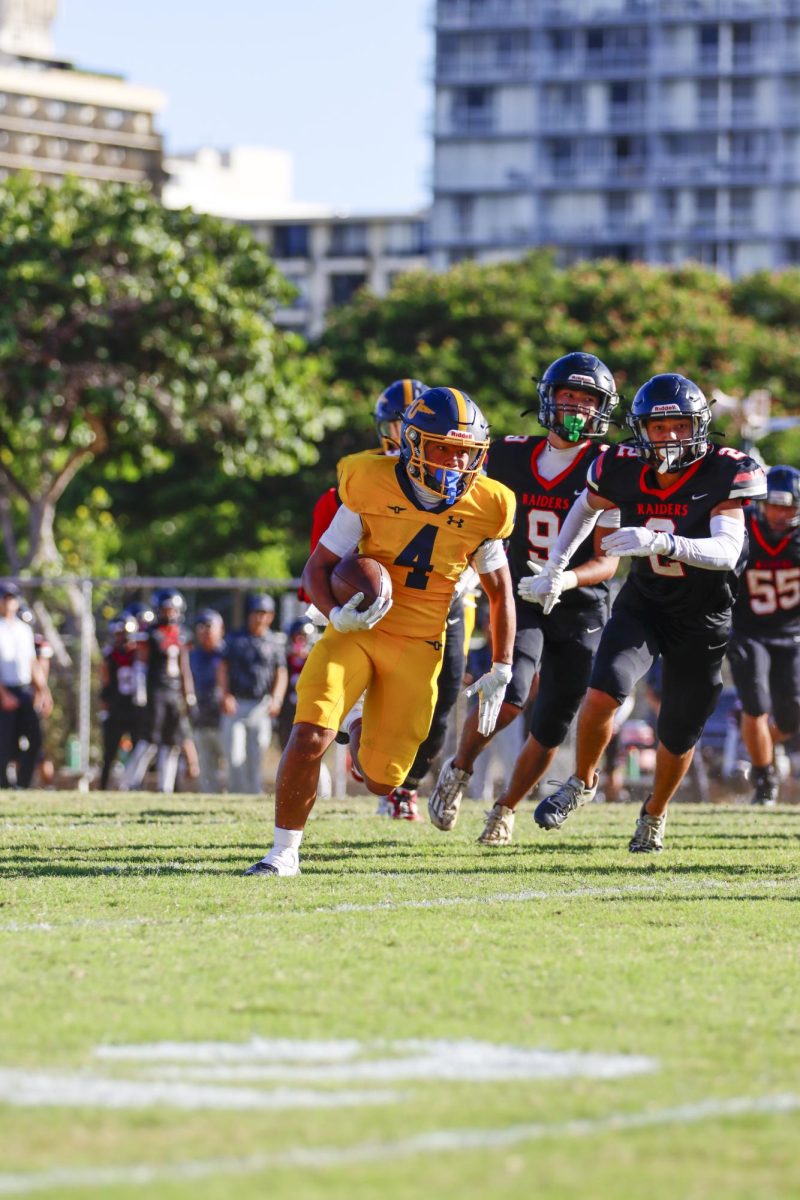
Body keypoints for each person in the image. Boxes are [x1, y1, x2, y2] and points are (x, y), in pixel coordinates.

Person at [245, 385, 517, 876]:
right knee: (308, 733)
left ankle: (359, 725)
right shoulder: (369, 480)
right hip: (358, 630)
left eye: (465, 452)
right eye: (441, 448)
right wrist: (334, 613)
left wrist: (501, 666)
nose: (454, 463)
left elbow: (500, 593)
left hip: (419, 645)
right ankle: (282, 853)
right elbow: (319, 565)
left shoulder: (489, 504)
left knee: (381, 781)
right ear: (412, 444)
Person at [526, 372, 766, 853]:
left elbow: (725, 550)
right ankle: (581, 781)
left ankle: (653, 814)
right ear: (641, 431)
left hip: (704, 617)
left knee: (677, 731)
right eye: (659, 428)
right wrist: (556, 565)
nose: (670, 437)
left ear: (699, 425)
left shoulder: (725, 470)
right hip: (646, 604)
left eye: (679, 425)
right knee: (601, 695)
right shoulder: (620, 464)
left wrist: (658, 540)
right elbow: (585, 507)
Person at [427, 352, 621, 844]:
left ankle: (505, 808)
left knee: (553, 719)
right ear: (548, 399)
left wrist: (565, 579)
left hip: (581, 604)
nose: (576, 407)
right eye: (568, 396)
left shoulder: (609, 466)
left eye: (587, 399)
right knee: (509, 696)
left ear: (602, 408)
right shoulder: (508, 455)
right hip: (519, 596)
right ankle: (460, 770)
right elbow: (467, 513)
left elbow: (609, 561)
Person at [727, 464, 800, 806]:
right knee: (755, 704)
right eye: (774, 504)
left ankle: (764, 747)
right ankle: (764, 777)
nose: (780, 513)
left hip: (792, 633)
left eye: (788, 506)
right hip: (749, 631)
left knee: (792, 713)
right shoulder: (742, 532)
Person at [121, 589, 196, 793]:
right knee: (150, 740)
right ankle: (130, 781)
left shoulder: (182, 634)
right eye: (166, 609)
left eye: (173, 610)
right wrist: (141, 692)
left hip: (174, 692)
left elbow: (184, 668)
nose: (170, 614)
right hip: (156, 691)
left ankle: (166, 786)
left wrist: (189, 695)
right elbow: (141, 664)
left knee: (171, 742)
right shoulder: (151, 634)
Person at [218, 595, 288, 795]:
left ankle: (253, 792)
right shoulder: (235, 639)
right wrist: (225, 694)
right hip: (237, 702)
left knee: (257, 752)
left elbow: (280, 672)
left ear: (271, 616)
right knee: (234, 754)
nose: (259, 618)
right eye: (256, 613)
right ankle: (236, 792)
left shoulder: (274, 642)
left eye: (263, 613)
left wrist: (277, 698)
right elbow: (222, 668)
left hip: (261, 704)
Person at [0, 583, 53, 788]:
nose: (9, 602)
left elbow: (32, 663)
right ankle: (3, 785)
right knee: (5, 742)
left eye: (12, 598)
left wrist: (43, 691)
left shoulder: (24, 630)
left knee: (35, 739)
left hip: (23, 690)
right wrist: (3, 695)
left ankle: (22, 784)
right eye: (5, 598)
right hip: (4, 690)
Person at [98, 612, 145, 789]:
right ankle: (103, 786)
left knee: (137, 748)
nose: (122, 638)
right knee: (109, 751)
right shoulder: (110, 655)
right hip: (116, 706)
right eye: (118, 634)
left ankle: (136, 785)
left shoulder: (138, 653)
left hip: (135, 706)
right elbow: (105, 680)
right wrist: (105, 705)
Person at [189, 608, 227, 793]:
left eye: (209, 626)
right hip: (201, 718)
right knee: (206, 767)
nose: (205, 631)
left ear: (221, 628)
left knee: (232, 764)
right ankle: (208, 799)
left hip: (225, 718)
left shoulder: (228, 653)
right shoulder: (193, 655)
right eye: (201, 626)